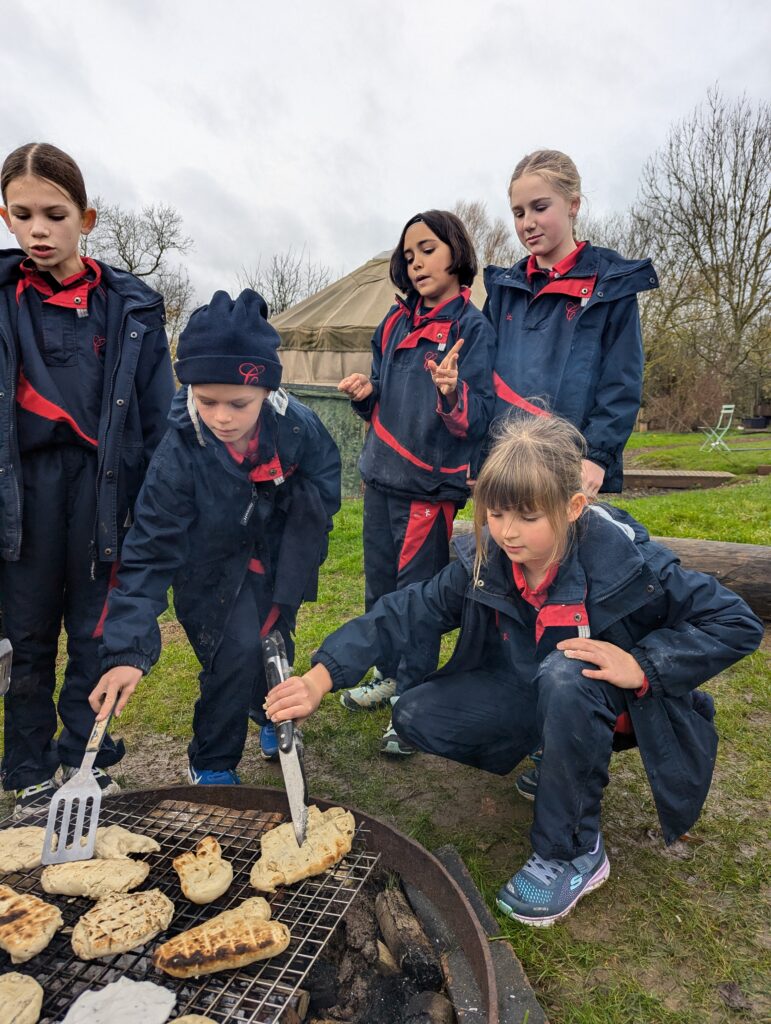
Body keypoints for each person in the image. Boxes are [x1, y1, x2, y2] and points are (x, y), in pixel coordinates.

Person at [263, 414, 763, 926]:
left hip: (620, 706)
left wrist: (642, 665)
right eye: (496, 513)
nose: (506, 531)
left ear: (572, 508)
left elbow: (735, 622)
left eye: (526, 517)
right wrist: (320, 676)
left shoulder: (630, 564)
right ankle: (553, 758)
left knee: (567, 675)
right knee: (415, 714)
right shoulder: (489, 561)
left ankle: (574, 853)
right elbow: (405, 611)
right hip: (537, 689)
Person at [88, 289, 341, 784]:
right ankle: (212, 762)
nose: (222, 416)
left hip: (273, 556)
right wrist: (126, 652)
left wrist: (294, 519)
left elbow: (325, 478)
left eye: (238, 403)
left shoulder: (297, 427)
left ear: (267, 391)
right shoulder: (178, 450)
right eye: (206, 400)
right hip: (205, 566)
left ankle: (270, 710)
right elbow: (149, 551)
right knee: (230, 654)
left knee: (272, 637)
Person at [0, 142, 174, 818]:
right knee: (27, 635)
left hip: (106, 497)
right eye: (22, 215)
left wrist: (156, 505)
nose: (39, 229)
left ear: (87, 217)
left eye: (54, 213)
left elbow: (157, 417)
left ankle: (84, 758)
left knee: (95, 635)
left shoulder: (132, 307)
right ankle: (27, 772)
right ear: (7, 217)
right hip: (24, 495)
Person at [337, 210, 495, 755]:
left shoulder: (471, 329)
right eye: (408, 255)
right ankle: (388, 676)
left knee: (418, 598)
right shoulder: (393, 323)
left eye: (427, 249)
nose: (417, 262)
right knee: (380, 587)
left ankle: (414, 699)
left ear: (455, 250)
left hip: (429, 490)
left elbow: (478, 420)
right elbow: (385, 398)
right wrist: (365, 395)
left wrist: (452, 391)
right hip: (380, 478)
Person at [484, 149, 659, 498]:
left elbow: (621, 381)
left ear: (573, 205)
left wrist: (597, 456)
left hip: (570, 469)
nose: (527, 222)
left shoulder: (610, 287)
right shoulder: (503, 290)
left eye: (539, 207)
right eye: (518, 213)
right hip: (505, 463)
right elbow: (481, 377)